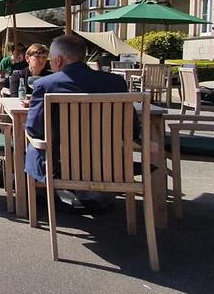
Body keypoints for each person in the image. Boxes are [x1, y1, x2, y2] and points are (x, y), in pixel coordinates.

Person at [24, 35, 137, 183]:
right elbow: (133, 129)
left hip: (60, 162)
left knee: (31, 146)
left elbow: (34, 129)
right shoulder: (116, 82)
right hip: (108, 161)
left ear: (58, 60)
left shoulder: (46, 85)